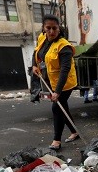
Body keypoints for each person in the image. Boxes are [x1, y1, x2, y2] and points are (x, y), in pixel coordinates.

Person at [32, 14, 80, 151]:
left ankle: (56, 140)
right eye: (48, 28)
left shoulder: (64, 46)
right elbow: (36, 52)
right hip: (51, 81)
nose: (51, 31)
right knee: (62, 107)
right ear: (43, 28)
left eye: (54, 28)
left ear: (59, 29)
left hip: (65, 83)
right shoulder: (42, 38)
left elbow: (65, 70)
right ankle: (74, 131)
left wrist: (57, 92)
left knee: (56, 108)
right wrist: (34, 65)